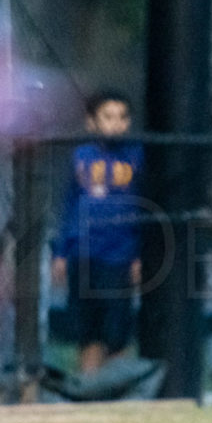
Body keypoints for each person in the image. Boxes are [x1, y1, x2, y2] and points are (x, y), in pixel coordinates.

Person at [51, 90, 144, 375]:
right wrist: (61, 253)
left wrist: (138, 256)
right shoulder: (82, 155)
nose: (115, 124)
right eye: (107, 117)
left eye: (122, 117)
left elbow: (144, 211)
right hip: (83, 255)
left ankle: (117, 394)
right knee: (87, 331)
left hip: (118, 256)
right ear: (91, 122)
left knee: (116, 332)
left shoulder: (137, 156)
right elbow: (70, 205)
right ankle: (88, 392)